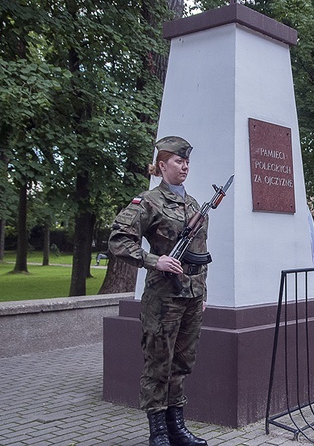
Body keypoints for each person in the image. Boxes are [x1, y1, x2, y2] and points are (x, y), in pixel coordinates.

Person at [109, 136, 208, 446]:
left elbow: (202, 252)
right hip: (163, 299)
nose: (185, 166)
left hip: (191, 296)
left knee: (181, 364)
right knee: (158, 365)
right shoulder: (148, 201)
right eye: (179, 161)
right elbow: (118, 240)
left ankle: (176, 427)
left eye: (187, 161)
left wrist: (202, 294)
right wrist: (155, 260)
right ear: (163, 165)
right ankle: (158, 433)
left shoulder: (193, 204)